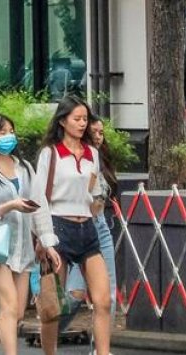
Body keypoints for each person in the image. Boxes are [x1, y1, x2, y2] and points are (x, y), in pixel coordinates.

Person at [0, 113, 62, 355]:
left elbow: (40, 206)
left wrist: (48, 243)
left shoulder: (25, 168)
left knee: (16, 312)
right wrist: (9, 206)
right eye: (2, 132)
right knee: (8, 307)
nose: (9, 136)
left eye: (11, 131)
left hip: (22, 248)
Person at [35, 97, 113, 355]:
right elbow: (39, 198)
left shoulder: (92, 153)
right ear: (62, 121)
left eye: (85, 119)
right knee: (53, 306)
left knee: (103, 300)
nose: (82, 124)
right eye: (77, 119)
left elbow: (94, 190)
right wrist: (44, 237)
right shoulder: (50, 153)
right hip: (58, 228)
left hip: (87, 227)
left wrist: (98, 202)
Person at [66, 114, 119, 315]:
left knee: (107, 294)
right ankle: (52, 329)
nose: (98, 136)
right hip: (78, 227)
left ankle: (103, 337)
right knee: (75, 293)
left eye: (101, 133)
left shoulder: (100, 160)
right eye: (93, 132)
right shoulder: (75, 160)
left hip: (100, 226)